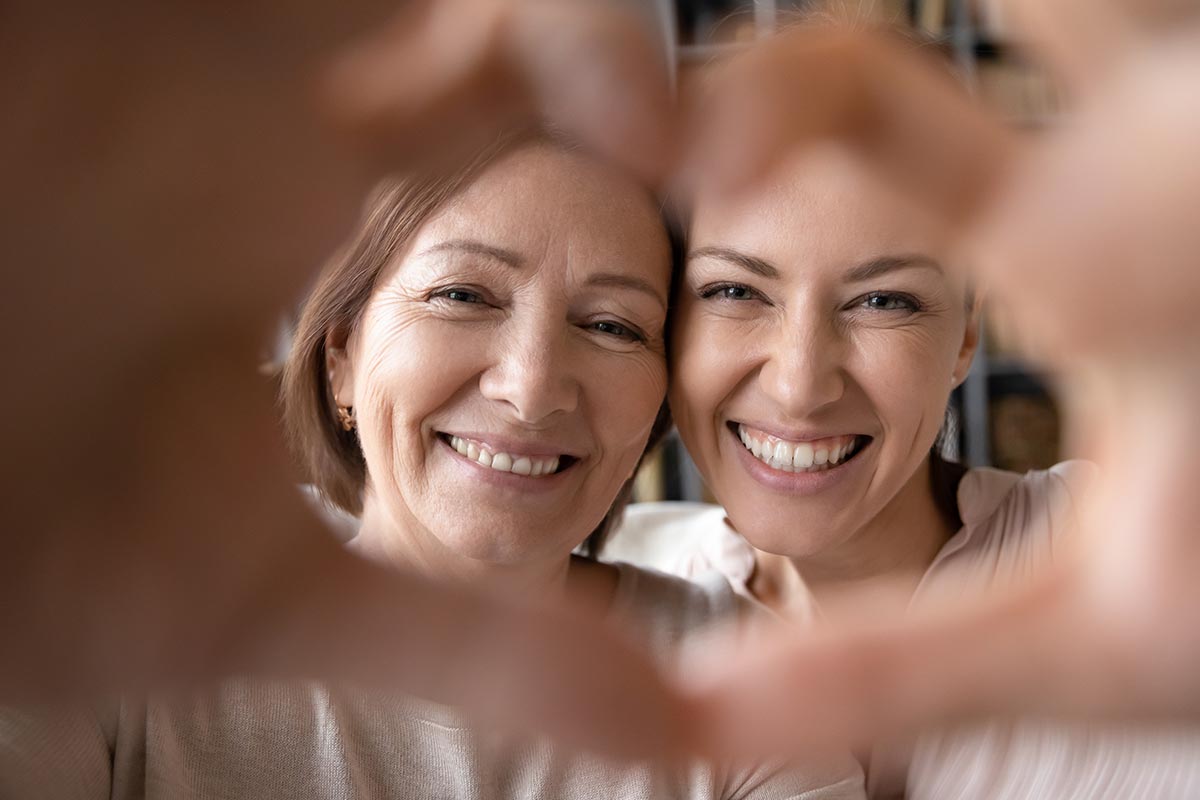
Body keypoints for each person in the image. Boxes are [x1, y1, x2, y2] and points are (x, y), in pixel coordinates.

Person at [0, 130, 865, 800]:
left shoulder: (745, 684)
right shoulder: (123, 629)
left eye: (611, 325)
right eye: (463, 295)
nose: (531, 390)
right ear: (340, 357)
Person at [666, 0, 1200, 774]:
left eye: (884, 301)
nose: (799, 385)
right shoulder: (616, 593)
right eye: (733, 291)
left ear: (968, 335)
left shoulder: (1127, 556)